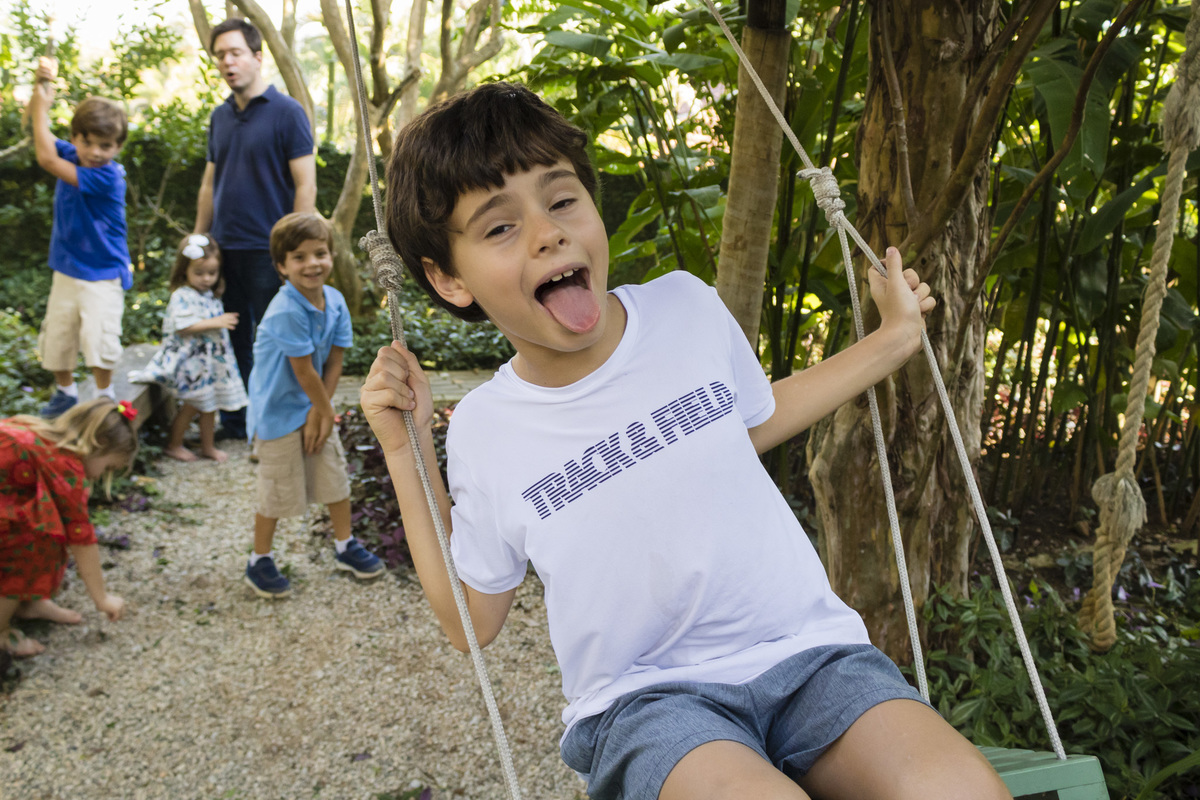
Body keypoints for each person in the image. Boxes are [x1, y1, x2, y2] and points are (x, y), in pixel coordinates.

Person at [360, 83, 1013, 800]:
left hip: (813, 655)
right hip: (649, 703)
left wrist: (891, 343)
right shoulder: (490, 426)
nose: (548, 233)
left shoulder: (685, 306)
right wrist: (406, 448)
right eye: (499, 228)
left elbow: (744, 423)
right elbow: (469, 621)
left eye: (561, 200)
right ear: (449, 279)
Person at [242, 213, 383, 599]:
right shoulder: (286, 309)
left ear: (332, 255)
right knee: (276, 488)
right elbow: (304, 372)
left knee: (334, 475)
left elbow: (334, 360)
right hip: (278, 413)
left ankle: (345, 545)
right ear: (281, 267)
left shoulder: (335, 302)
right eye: (299, 257)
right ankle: (259, 559)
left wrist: (321, 413)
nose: (312, 264)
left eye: (319, 253)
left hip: (314, 405)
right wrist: (322, 412)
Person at [194, 17, 316, 441]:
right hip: (223, 250)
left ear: (257, 57)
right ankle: (240, 420)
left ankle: (284, 421)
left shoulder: (288, 113)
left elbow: (306, 184)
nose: (228, 62)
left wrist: (294, 250)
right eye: (220, 55)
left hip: (270, 253)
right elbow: (209, 183)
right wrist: (199, 239)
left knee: (278, 341)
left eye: (235, 53)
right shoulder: (219, 117)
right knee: (234, 339)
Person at [27, 56, 132, 419]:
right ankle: (65, 393)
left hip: (102, 273)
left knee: (98, 340)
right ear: (74, 138)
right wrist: (42, 88)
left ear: (117, 148)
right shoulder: (74, 154)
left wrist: (43, 104)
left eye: (105, 146)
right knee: (59, 335)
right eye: (86, 142)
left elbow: (45, 156)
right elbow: (39, 133)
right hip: (68, 268)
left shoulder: (109, 177)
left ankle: (104, 397)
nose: (94, 152)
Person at [1, 398, 136, 657]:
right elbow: (81, 538)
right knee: (20, 554)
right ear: (98, 444)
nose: (98, 476)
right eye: (107, 467)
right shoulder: (67, 467)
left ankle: (29, 602)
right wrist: (102, 599)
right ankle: (2, 634)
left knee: (41, 535)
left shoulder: (40, 434)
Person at [130, 234, 248, 463]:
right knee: (191, 406)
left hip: (210, 366)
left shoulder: (209, 294)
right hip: (192, 366)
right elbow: (183, 326)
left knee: (208, 407)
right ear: (184, 270)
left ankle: (207, 446)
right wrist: (218, 322)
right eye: (199, 273)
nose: (206, 279)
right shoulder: (182, 295)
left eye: (212, 273)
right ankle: (173, 445)